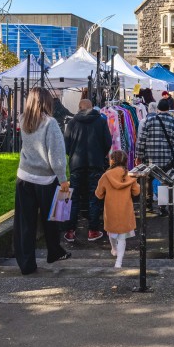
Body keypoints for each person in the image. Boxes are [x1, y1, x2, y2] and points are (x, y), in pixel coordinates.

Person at [14, 88, 71, 274]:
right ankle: (54, 251)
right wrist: (63, 178)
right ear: (46, 102)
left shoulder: (23, 119)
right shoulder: (50, 123)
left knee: (25, 222)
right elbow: (56, 155)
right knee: (53, 219)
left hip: (24, 175)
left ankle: (26, 262)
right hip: (46, 178)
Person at [63, 98, 111, 244]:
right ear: (92, 108)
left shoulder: (72, 123)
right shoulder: (101, 121)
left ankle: (70, 231)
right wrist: (100, 154)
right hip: (95, 164)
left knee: (73, 197)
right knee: (94, 197)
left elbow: (66, 145)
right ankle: (93, 230)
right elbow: (108, 142)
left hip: (76, 165)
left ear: (79, 108)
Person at [96, 149, 140, 268]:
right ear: (125, 161)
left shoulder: (106, 176)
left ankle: (114, 249)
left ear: (112, 161)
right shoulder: (129, 175)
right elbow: (136, 192)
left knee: (111, 231)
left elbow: (98, 194)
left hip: (111, 210)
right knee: (122, 237)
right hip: (125, 210)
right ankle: (119, 262)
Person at [136, 97, 174, 189]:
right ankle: (163, 199)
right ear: (168, 109)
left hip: (150, 160)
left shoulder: (148, 121)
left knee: (149, 180)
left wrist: (139, 156)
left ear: (158, 109)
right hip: (168, 160)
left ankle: (150, 199)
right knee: (165, 181)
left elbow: (141, 140)